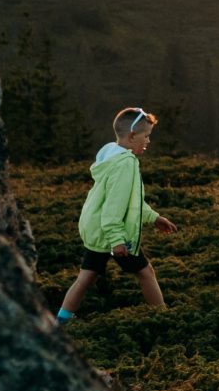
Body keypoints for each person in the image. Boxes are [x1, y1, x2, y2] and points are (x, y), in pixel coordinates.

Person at [59, 106, 176, 321]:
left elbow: (131, 202)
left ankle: (62, 320)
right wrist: (117, 240)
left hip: (97, 230)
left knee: (85, 277)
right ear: (132, 136)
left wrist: (154, 217)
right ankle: (163, 318)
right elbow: (114, 207)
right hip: (113, 234)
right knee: (146, 272)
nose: (148, 142)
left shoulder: (112, 156)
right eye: (146, 136)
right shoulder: (125, 164)